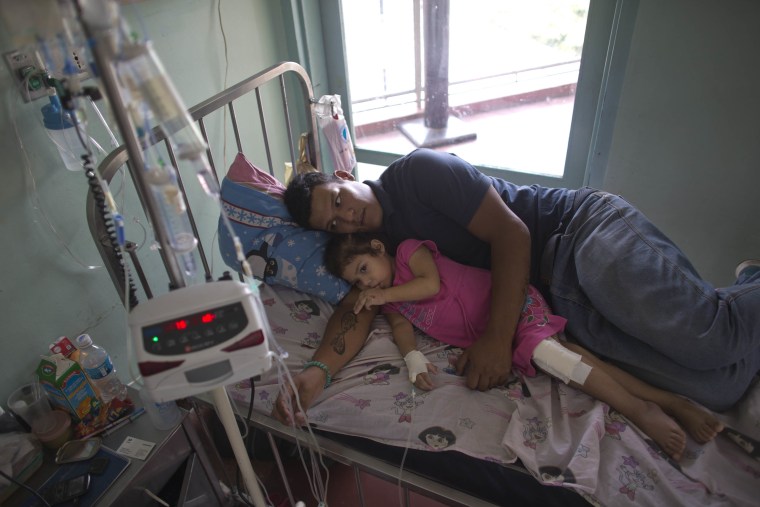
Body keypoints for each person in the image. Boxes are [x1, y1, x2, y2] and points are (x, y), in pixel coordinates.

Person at [274, 147, 760, 427]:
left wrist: (496, 340)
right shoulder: (378, 251)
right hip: (557, 300)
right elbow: (357, 307)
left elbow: (514, 234)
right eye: (334, 225)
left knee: (715, 337)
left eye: (338, 199)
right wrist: (318, 372)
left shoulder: (418, 174)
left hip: (577, 235)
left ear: (344, 175)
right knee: (718, 384)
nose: (345, 216)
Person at [324, 232, 723, 460]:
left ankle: (640, 410)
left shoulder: (412, 252)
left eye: (365, 270)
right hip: (499, 337)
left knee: (549, 356)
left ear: (378, 248)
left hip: (512, 304)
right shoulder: (390, 300)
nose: (368, 284)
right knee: (575, 360)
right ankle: (669, 400)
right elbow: (400, 327)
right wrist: (411, 357)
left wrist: (381, 295)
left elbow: (429, 286)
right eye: (358, 283)